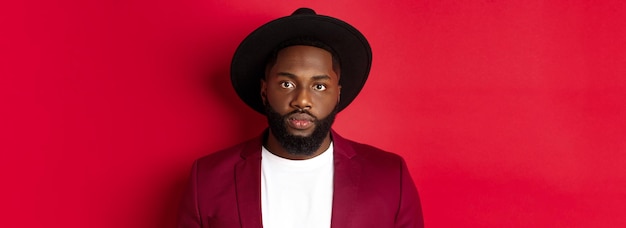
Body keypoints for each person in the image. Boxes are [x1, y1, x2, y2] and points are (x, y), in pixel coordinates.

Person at [178, 8, 424, 228]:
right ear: (264, 90)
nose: (302, 100)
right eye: (287, 83)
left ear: (337, 94)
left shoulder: (391, 176)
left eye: (319, 86)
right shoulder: (207, 179)